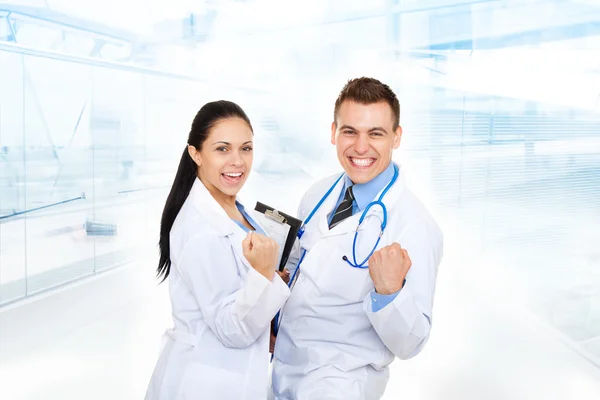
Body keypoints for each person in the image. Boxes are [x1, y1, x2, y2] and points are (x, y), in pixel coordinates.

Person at [271, 78, 444, 399]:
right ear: (333, 132)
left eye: (375, 133)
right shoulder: (318, 193)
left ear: (397, 137)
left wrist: (390, 293)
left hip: (341, 384)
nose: (360, 147)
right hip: (281, 368)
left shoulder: (414, 225)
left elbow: (412, 343)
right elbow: (298, 272)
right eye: (350, 131)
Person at [145, 100, 290, 400]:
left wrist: (269, 285)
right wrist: (263, 277)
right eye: (222, 149)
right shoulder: (199, 229)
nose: (237, 161)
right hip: (202, 383)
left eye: (246, 148)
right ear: (195, 154)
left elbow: (240, 291)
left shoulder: (236, 209)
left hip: (232, 377)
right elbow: (231, 329)